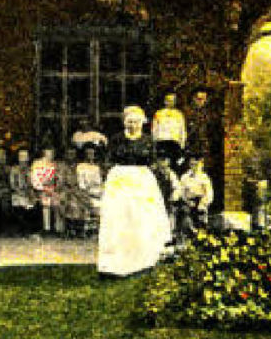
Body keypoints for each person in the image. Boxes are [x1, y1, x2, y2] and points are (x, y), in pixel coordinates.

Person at [98, 105, 172, 278]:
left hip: (141, 181)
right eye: (130, 121)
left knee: (141, 219)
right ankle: (115, 264)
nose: (133, 125)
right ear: (124, 122)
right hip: (120, 180)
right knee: (120, 220)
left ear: (142, 122)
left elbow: (153, 162)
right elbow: (108, 160)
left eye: (137, 121)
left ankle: (142, 262)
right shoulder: (116, 139)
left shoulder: (147, 140)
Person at [171, 156, 214, 243]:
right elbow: (181, 192)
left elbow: (209, 194)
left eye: (196, 164)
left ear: (201, 164)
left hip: (200, 202)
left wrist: (202, 204)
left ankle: (200, 238)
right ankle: (183, 237)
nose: (194, 167)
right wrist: (187, 201)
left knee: (200, 219)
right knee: (184, 215)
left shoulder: (204, 178)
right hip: (188, 202)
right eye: (192, 164)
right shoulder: (185, 177)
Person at [65, 146, 105, 238]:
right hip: (85, 191)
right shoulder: (80, 166)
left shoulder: (96, 167)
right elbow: (81, 182)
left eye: (92, 153)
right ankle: (84, 229)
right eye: (88, 153)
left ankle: (96, 229)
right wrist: (88, 189)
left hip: (96, 190)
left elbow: (98, 181)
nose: (91, 155)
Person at [30, 146, 61, 235]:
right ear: (44, 153)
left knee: (57, 202)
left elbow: (57, 178)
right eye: (48, 153)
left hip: (53, 189)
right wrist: (42, 188)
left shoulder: (54, 164)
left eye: (52, 153)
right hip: (40, 189)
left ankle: (57, 228)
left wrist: (54, 188)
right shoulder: (37, 164)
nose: (50, 155)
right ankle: (46, 228)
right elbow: (34, 179)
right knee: (45, 202)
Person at [152, 93, 187, 166]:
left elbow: (182, 130)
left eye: (172, 100)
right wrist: (154, 143)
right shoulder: (158, 113)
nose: (170, 102)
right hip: (162, 142)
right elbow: (154, 129)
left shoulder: (179, 114)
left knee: (174, 165)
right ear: (165, 101)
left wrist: (182, 145)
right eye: (168, 100)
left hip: (174, 143)